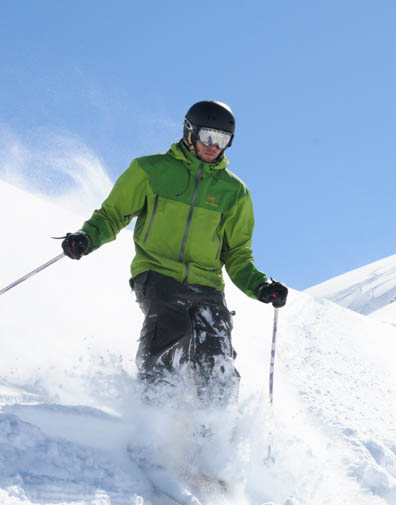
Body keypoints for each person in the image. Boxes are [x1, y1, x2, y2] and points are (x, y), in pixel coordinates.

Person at [61, 100, 288, 407]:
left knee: (216, 357)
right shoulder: (150, 170)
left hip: (207, 286)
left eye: (222, 140)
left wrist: (260, 286)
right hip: (157, 274)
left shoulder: (234, 192)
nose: (213, 146)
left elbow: (238, 255)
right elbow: (112, 215)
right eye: (208, 136)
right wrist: (87, 237)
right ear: (189, 131)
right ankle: (154, 421)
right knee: (170, 330)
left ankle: (213, 432)